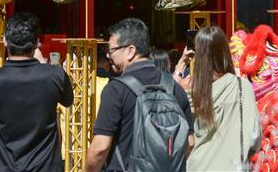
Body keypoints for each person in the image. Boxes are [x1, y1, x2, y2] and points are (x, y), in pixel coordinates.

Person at [85, 18, 194, 172]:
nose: (108, 56)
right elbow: (189, 142)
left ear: (130, 51)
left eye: (110, 50)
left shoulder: (116, 90)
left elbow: (100, 148)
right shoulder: (175, 88)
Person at [0, 13, 73, 171]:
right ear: (37, 43)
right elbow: (67, 101)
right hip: (46, 167)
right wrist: (41, 62)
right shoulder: (56, 75)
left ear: (4, 40)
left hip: (4, 167)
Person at [186, 26, 260, 171]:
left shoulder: (192, 90)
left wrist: (181, 65)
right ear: (225, 52)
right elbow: (254, 135)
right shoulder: (241, 87)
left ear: (198, 55)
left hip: (198, 166)